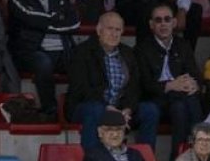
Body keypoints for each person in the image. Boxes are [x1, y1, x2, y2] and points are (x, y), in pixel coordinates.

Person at [65, 12, 159, 149]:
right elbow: (81, 89)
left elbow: (135, 87)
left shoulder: (128, 53)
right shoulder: (82, 52)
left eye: (118, 30)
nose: (114, 34)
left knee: (150, 110)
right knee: (95, 109)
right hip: (89, 106)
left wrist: (127, 110)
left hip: (121, 109)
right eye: (110, 28)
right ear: (99, 30)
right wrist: (108, 109)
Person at [135, 3, 203, 160]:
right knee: (187, 102)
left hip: (178, 101)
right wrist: (170, 85)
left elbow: (196, 75)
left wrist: (195, 84)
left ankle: (178, 159)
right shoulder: (142, 49)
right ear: (151, 25)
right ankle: (195, 156)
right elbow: (144, 85)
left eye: (167, 19)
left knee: (183, 104)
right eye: (158, 20)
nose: (163, 24)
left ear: (174, 22)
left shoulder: (183, 45)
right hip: (154, 100)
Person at [7, 0, 80, 121]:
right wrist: (57, 18)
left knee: (83, 60)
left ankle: (73, 110)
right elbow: (27, 15)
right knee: (43, 62)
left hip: (63, 51)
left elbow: (74, 23)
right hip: (30, 50)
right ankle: (50, 111)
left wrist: (45, 24)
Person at [70, 0, 191, 40]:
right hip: (133, 8)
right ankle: (144, 58)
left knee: (195, 11)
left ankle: (186, 58)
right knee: (149, 12)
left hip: (157, 8)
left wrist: (182, 11)